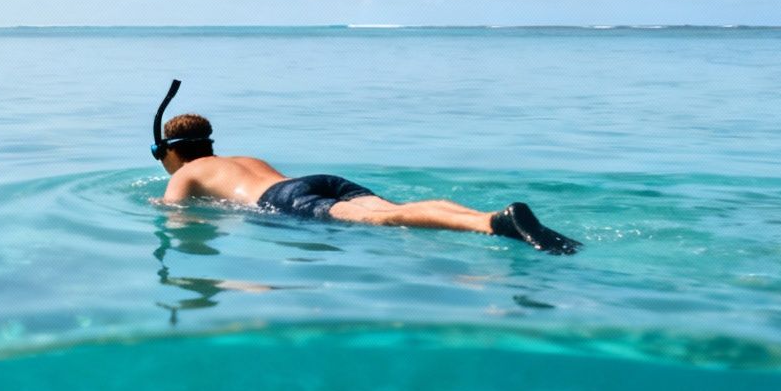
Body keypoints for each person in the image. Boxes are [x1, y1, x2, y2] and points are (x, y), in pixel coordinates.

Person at [150, 100, 582, 254]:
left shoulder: (187, 175)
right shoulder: (243, 157)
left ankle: (495, 224)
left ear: (171, 150)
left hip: (284, 202)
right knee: (395, 210)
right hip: (317, 180)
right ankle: (490, 215)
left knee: (385, 221)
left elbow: (176, 222)